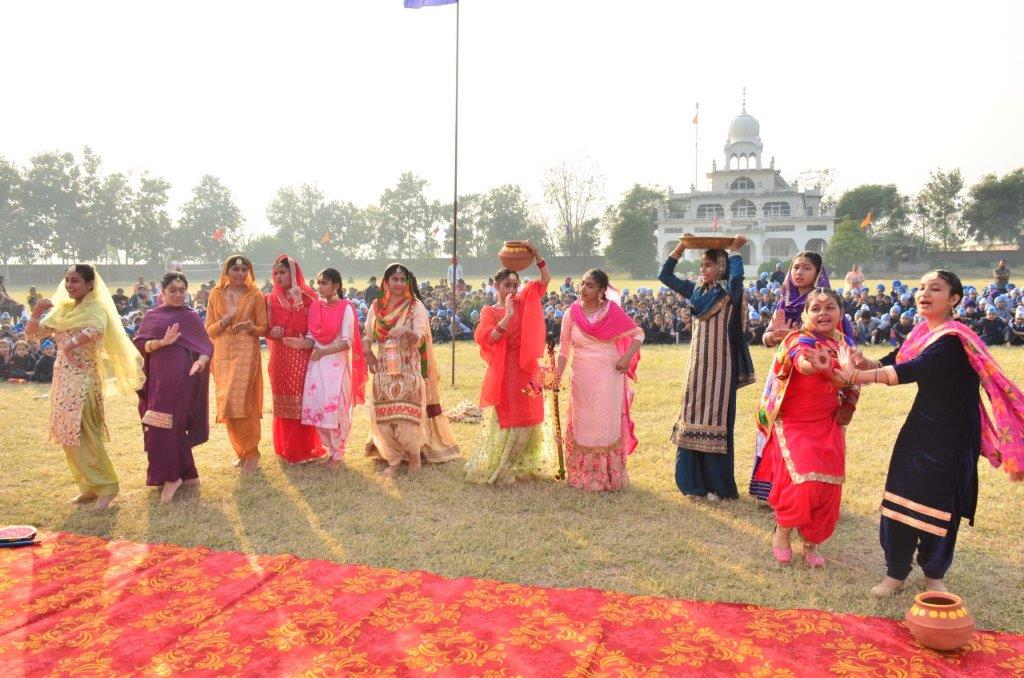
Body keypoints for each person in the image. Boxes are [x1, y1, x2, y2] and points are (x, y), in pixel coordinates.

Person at [835, 270, 1024, 598]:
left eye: (935, 289)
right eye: (921, 287)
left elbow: (914, 369)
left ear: (954, 299)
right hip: (921, 427)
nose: (924, 293)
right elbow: (895, 360)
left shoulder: (954, 338)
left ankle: (934, 575)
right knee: (900, 494)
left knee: (941, 505)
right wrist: (863, 362)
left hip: (954, 435)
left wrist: (857, 377)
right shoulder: (921, 332)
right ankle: (895, 573)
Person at [26, 264, 145, 510]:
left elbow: (96, 329)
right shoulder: (64, 310)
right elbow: (33, 335)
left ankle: (107, 486)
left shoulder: (95, 308)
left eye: (75, 281)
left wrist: (69, 344)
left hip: (83, 380)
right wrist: (36, 312)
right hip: (62, 379)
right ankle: (89, 486)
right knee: (67, 434)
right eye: (67, 280)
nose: (69, 285)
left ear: (90, 284)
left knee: (86, 434)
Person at [754, 289, 855, 567]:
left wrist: (850, 404)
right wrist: (815, 364)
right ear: (805, 314)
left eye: (830, 307)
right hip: (794, 422)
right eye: (816, 308)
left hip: (828, 422)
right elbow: (801, 362)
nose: (823, 313)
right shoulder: (797, 339)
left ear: (841, 313)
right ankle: (783, 531)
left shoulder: (844, 344)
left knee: (828, 486)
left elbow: (853, 379)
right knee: (802, 484)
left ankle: (811, 542)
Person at [750, 251, 854, 502]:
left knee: (813, 438)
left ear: (818, 273)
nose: (799, 272)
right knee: (775, 426)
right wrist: (774, 336)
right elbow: (766, 337)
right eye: (796, 267)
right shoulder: (784, 302)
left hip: (818, 378)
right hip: (784, 377)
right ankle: (774, 489)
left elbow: (843, 341)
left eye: (807, 268)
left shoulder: (825, 303)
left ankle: (811, 490)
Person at [659, 235, 756, 500]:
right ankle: (692, 484)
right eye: (702, 265)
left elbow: (737, 280)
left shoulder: (728, 293)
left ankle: (717, 486)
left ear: (721, 267)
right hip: (697, 366)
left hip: (720, 367)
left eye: (709, 265)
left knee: (716, 420)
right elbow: (665, 276)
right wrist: (681, 247)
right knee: (692, 416)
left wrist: (735, 252)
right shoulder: (696, 291)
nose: (703, 269)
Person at [466, 242, 555, 485]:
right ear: (496, 286)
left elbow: (545, 280)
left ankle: (526, 464)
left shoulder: (525, 300)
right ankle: (503, 466)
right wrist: (506, 317)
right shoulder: (489, 311)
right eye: (507, 285)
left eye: (516, 285)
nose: (512, 289)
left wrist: (537, 255)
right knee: (511, 416)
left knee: (532, 414)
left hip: (529, 367)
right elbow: (487, 340)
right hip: (506, 370)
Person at [363, 263, 460, 478]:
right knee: (384, 416)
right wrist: (368, 353)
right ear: (386, 282)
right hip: (383, 370)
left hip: (409, 368)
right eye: (394, 279)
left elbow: (420, 338)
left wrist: (406, 331)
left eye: (402, 279)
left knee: (408, 416)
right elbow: (367, 334)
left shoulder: (416, 307)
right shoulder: (377, 306)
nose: (398, 283)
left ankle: (414, 457)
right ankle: (394, 460)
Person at [556, 270, 643, 491]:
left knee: (605, 425)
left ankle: (608, 478)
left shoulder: (611, 311)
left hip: (608, 376)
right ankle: (582, 476)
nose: (584, 289)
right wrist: (556, 375)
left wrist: (627, 356)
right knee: (583, 423)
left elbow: (638, 334)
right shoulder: (571, 313)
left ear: (602, 290)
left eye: (590, 285)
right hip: (581, 377)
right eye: (583, 284)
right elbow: (564, 350)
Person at [133, 271, 213, 504]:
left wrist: (200, 362)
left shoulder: (190, 317)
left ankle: (171, 477)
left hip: (181, 378)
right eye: (173, 290)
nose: (178, 294)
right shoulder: (152, 315)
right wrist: (161, 343)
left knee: (164, 425)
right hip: (157, 378)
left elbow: (206, 346)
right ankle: (188, 474)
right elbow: (139, 344)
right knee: (165, 425)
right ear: (163, 291)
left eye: (182, 290)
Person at [296, 268, 367, 470]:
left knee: (337, 411)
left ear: (336, 286)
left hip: (336, 367)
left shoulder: (346, 308)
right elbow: (311, 336)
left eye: (324, 283)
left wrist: (324, 351)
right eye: (319, 283)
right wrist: (301, 343)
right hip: (317, 366)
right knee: (317, 408)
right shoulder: (315, 306)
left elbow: (347, 342)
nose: (320, 287)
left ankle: (338, 453)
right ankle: (330, 450)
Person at [205, 255, 269, 471]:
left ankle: (252, 454)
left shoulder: (255, 295)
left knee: (243, 402)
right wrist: (226, 319)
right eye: (236, 269)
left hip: (246, 353)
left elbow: (264, 328)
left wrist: (250, 328)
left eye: (244, 270)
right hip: (222, 353)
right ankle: (241, 452)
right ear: (226, 271)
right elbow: (209, 330)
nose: (240, 274)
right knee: (227, 404)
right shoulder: (215, 294)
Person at [266, 255, 324, 463]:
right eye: (276, 273)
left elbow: (305, 329)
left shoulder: (308, 296)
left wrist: (298, 302)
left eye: (282, 272)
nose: (278, 277)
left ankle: (304, 449)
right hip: (279, 357)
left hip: (300, 357)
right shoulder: (270, 299)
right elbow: (266, 330)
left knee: (301, 401)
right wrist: (272, 331)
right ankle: (286, 448)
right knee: (282, 401)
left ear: (293, 273)